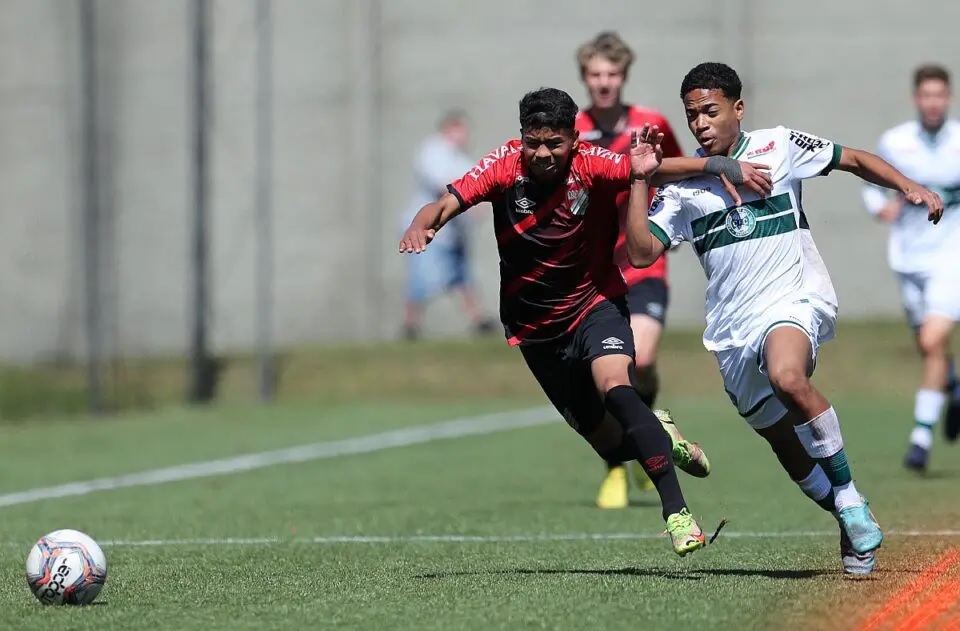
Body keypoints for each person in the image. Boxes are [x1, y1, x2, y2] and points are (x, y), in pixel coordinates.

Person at [398, 87, 765, 556]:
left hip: (595, 305)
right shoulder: (502, 167)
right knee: (613, 446)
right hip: (534, 330)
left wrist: (716, 164)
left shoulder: (592, 163)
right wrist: (421, 223)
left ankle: (678, 514)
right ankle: (663, 433)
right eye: (534, 143)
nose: (543, 154)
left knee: (619, 390)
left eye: (554, 143)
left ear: (573, 138)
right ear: (522, 138)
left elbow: (650, 169)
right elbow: (446, 203)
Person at [623, 62, 944, 574]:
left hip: (793, 301)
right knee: (786, 446)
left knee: (788, 377)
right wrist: (640, 180)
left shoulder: (779, 145)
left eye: (711, 111)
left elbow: (853, 158)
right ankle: (848, 519)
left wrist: (907, 186)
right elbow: (640, 254)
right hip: (731, 332)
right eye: (692, 116)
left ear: (738, 108)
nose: (701, 123)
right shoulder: (683, 187)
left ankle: (852, 496)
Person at [573, 31, 697, 509]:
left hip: (642, 266)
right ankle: (619, 466)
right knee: (607, 373)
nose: (604, 83)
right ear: (585, 77)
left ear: (624, 76)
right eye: (596, 74)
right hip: (591, 273)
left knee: (639, 363)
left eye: (612, 74)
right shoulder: (573, 127)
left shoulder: (650, 122)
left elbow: (677, 169)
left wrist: (672, 224)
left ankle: (647, 440)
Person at [861, 64, 960, 472]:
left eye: (940, 95)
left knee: (934, 341)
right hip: (907, 257)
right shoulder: (896, 142)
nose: (933, 102)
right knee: (926, 344)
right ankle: (953, 388)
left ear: (948, 98)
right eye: (926, 95)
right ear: (916, 98)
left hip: (950, 256)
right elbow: (870, 178)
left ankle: (919, 439)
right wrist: (878, 206)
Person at [399, 110, 497, 340]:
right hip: (427, 229)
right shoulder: (432, 151)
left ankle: (478, 319)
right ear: (449, 129)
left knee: (463, 278)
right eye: (460, 129)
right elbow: (443, 186)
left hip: (454, 232)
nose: (465, 135)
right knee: (421, 279)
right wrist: (468, 203)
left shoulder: (461, 158)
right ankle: (410, 324)